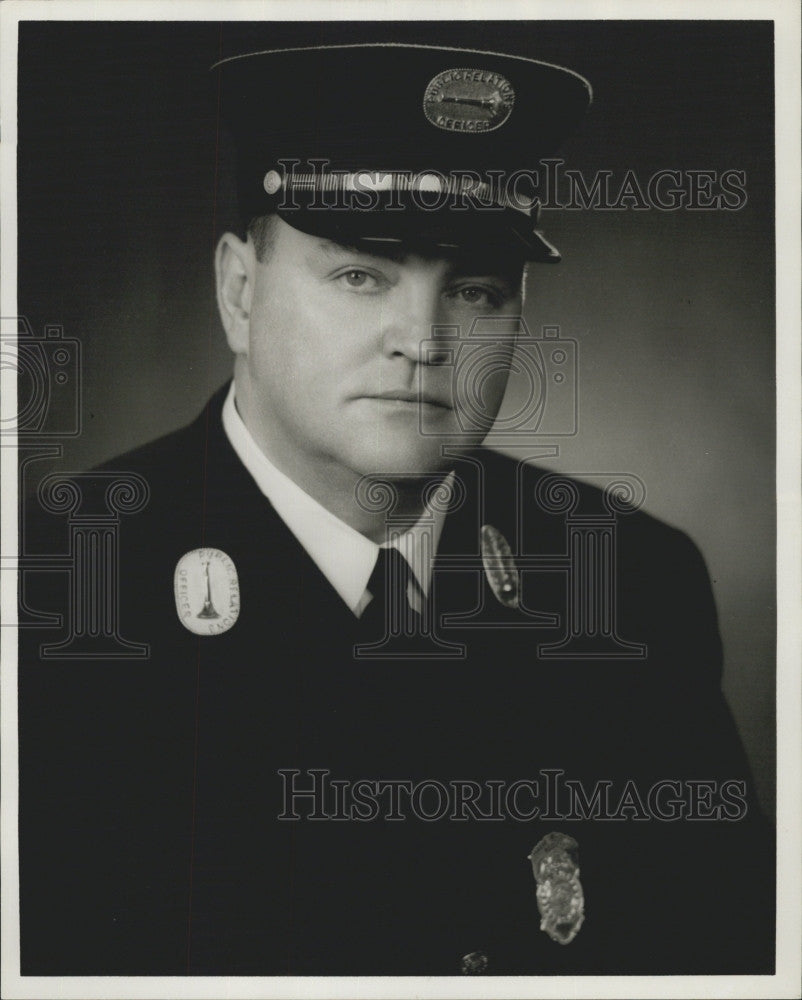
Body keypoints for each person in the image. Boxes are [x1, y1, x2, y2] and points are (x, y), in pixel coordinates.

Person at [18, 42, 773, 977]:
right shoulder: (53, 589)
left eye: (476, 289)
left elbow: (722, 962)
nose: (424, 340)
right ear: (239, 292)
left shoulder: (629, 584)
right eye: (361, 275)